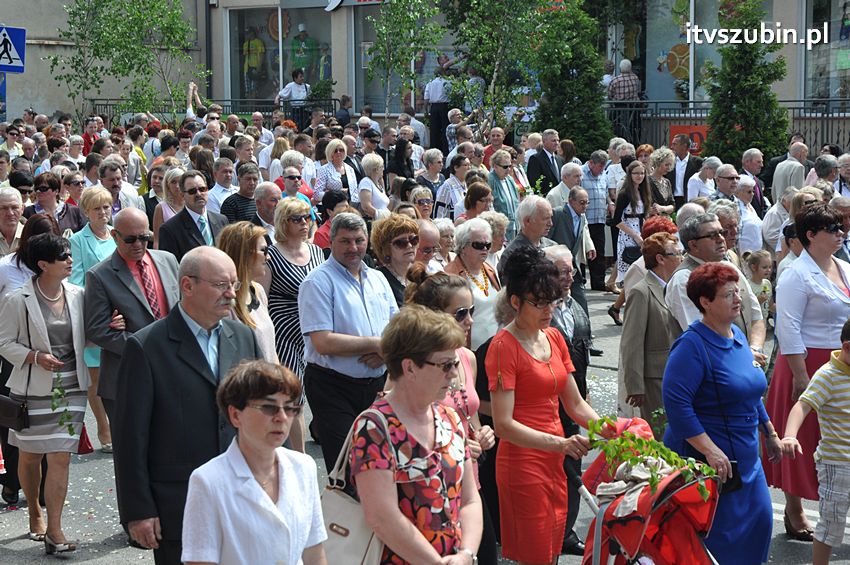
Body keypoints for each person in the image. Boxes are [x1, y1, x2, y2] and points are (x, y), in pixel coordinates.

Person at [113, 246, 263, 564]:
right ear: (188, 285)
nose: (230, 293)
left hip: (242, 495)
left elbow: (264, 412)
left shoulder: (243, 337)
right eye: (221, 285)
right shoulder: (146, 347)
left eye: (234, 284)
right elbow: (130, 437)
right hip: (179, 504)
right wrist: (138, 510)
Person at [486, 246, 607, 565]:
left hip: (555, 458)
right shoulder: (503, 346)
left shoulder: (553, 337)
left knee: (553, 550)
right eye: (538, 303)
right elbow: (503, 425)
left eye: (551, 301)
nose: (548, 310)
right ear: (515, 302)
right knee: (537, 555)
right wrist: (561, 444)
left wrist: (614, 430)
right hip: (523, 464)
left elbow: (575, 404)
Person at [662, 262, 782, 565]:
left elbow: (749, 392)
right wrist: (710, 451)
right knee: (720, 543)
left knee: (759, 527)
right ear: (705, 302)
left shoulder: (737, 335)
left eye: (737, 292)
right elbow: (677, 407)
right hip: (711, 466)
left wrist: (769, 431)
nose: (738, 299)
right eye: (729, 295)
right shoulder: (691, 346)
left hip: (747, 460)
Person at [350, 305, 483, 563]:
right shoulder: (374, 428)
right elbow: (382, 517)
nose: (453, 373)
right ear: (409, 368)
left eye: (455, 363)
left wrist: (466, 553)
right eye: (445, 365)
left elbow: (469, 500)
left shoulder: (450, 418)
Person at [182, 360, 327, 564]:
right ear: (235, 415)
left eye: (289, 408)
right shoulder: (208, 481)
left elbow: (314, 552)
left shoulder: (304, 467)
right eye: (269, 407)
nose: (282, 417)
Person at [0, 233, 89, 554]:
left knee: (60, 456)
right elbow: (4, 343)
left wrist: (113, 324)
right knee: (30, 455)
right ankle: (34, 512)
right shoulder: (17, 299)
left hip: (71, 386)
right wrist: (35, 357)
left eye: (69, 254)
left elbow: (87, 335)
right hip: (34, 388)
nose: (70, 260)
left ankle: (55, 529)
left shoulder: (79, 294)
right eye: (62, 256)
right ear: (42, 264)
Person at [766, 202, 850, 541]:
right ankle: (794, 508)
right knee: (801, 437)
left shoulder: (844, 266)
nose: (841, 233)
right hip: (805, 362)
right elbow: (788, 327)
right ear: (811, 235)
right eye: (833, 229)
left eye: (842, 227)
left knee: (839, 434)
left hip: (841, 360)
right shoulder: (795, 274)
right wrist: (800, 376)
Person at [405, 266, 499, 564]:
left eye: (471, 311)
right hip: (429, 489)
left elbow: (470, 416)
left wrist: (483, 434)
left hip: (469, 483)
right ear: (434, 316)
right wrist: (455, 442)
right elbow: (395, 428)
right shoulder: (413, 366)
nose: (470, 321)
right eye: (460, 314)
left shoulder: (467, 357)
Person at [298, 213, 398, 471]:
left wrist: (385, 351)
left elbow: (397, 328)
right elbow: (323, 342)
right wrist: (376, 344)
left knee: (380, 465)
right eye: (345, 241)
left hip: (377, 386)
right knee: (347, 467)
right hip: (333, 387)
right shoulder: (317, 282)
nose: (353, 247)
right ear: (331, 241)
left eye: (359, 240)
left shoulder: (378, 278)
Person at [781, 318, 850, 565]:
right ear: (847, 347)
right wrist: (790, 435)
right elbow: (802, 406)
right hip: (837, 464)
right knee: (831, 524)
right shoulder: (828, 376)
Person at [542, 245, 594, 556]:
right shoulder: (540, 318)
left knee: (573, 471)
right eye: (562, 272)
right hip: (548, 407)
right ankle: (551, 534)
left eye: (571, 270)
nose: (569, 277)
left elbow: (582, 351)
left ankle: (566, 532)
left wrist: (583, 393)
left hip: (573, 400)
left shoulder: (575, 305)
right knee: (553, 475)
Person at [69, 187, 116, 451]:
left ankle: (120, 424)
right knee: (96, 377)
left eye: (106, 206)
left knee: (121, 373)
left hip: (123, 314)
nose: (103, 212)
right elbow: (76, 281)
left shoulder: (118, 235)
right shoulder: (78, 240)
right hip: (95, 314)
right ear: (86, 211)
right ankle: (104, 428)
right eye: (97, 208)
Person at [620, 232, 682, 435]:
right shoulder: (642, 291)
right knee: (662, 436)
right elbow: (632, 342)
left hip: (677, 376)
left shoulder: (676, 287)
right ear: (660, 259)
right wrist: (635, 386)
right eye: (676, 254)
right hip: (655, 380)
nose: (681, 258)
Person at [445, 218, 501, 350]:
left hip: (494, 347)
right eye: (478, 245)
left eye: (488, 245)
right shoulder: (450, 274)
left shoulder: (490, 269)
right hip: (468, 349)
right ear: (463, 247)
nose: (484, 249)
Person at [158, 171, 229, 262]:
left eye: (202, 189)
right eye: (192, 191)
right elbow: (169, 265)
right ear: (182, 195)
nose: (198, 194)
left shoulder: (222, 220)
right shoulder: (170, 229)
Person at [613, 160, 653, 283]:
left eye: (642, 173)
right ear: (630, 174)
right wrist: (634, 235)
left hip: (642, 230)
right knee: (629, 266)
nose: (639, 176)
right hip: (628, 233)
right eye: (636, 173)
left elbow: (645, 215)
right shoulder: (625, 194)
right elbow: (616, 220)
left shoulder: (643, 192)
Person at [371, 213, 420, 307]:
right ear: (386, 248)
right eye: (401, 243)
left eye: (413, 239)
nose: (410, 245)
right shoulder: (378, 279)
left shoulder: (420, 274)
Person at [487, 149, 519, 240]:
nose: (508, 169)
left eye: (510, 166)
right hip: (499, 229)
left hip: (514, 226)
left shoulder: (509, 179)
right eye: (505, 167)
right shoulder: (490, 180)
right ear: (495, 166)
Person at [152, 167, 185, 249]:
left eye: (180, 182)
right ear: (167, 185)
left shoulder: (191, 204)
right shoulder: (161, 207)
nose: (177, 186)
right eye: (173, 182)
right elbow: (157, 239)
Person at [526, 129, 563, 197]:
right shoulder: (535, 159)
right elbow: (534, 183)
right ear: (544, 141)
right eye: (553, 140)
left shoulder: (559, 159)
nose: (557, 143)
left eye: (558, 140)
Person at [435, 155, 471, 221]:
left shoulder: (468, 185)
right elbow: (440, 212)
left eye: (469, 165)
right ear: (456, 168)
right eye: (466, 165)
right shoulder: (447, 186)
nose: (469, 168)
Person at [744, 250, 773, 323]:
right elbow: (745, 310)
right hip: (753, 324)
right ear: (753, 267)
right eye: (764, 267)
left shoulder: (767, 283)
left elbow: (770, 305)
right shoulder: (747, 286)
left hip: (764, 322)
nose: (768, 270)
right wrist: (758, 301)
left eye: (770, 267)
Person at [358, 153, 390, 219]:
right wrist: (383, 216)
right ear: (376, 169)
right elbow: (366, 207)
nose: (383, 169)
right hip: (374, 222)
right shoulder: (366, 182)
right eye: (382, 166)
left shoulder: (378, 184)